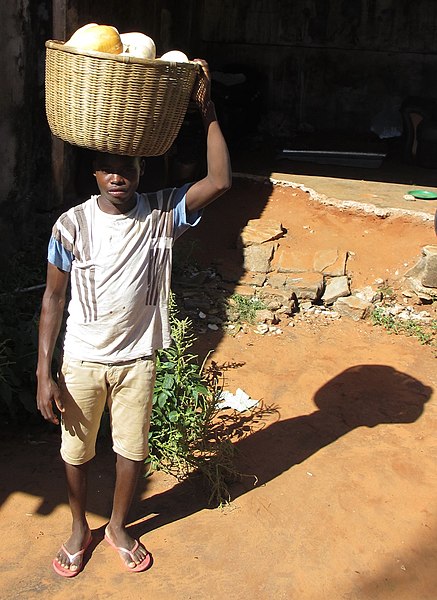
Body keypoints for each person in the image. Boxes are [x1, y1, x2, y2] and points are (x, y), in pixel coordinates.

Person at [36, 59, 231, 577]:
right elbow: (52, 302)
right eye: (107, 167)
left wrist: (207, 110)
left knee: (131, 451)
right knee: (75, 452)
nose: (118, 175)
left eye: (128, 167)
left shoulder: (161, 214)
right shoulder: (70, 225)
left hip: (137, 360)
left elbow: (219, 180)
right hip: (81, 360)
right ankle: (81, 528)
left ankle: (119, 525)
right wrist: (43, 372)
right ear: (94, 174)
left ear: (142, 172)